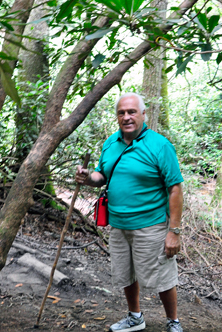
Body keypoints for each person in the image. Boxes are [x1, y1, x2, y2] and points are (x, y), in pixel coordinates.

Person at [75, 93, 185, 332]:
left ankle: (173, 322)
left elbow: (175, 189)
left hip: (151, 225)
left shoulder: (159, 145)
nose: (126, 117)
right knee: (126, 273)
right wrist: (87, 178)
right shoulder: (111, 143)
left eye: (132, 112)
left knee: (162, 277)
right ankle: (135, 317)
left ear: (143, 114)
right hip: (118, 224)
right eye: (121, 113)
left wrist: (173, 231)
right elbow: (101, 176)